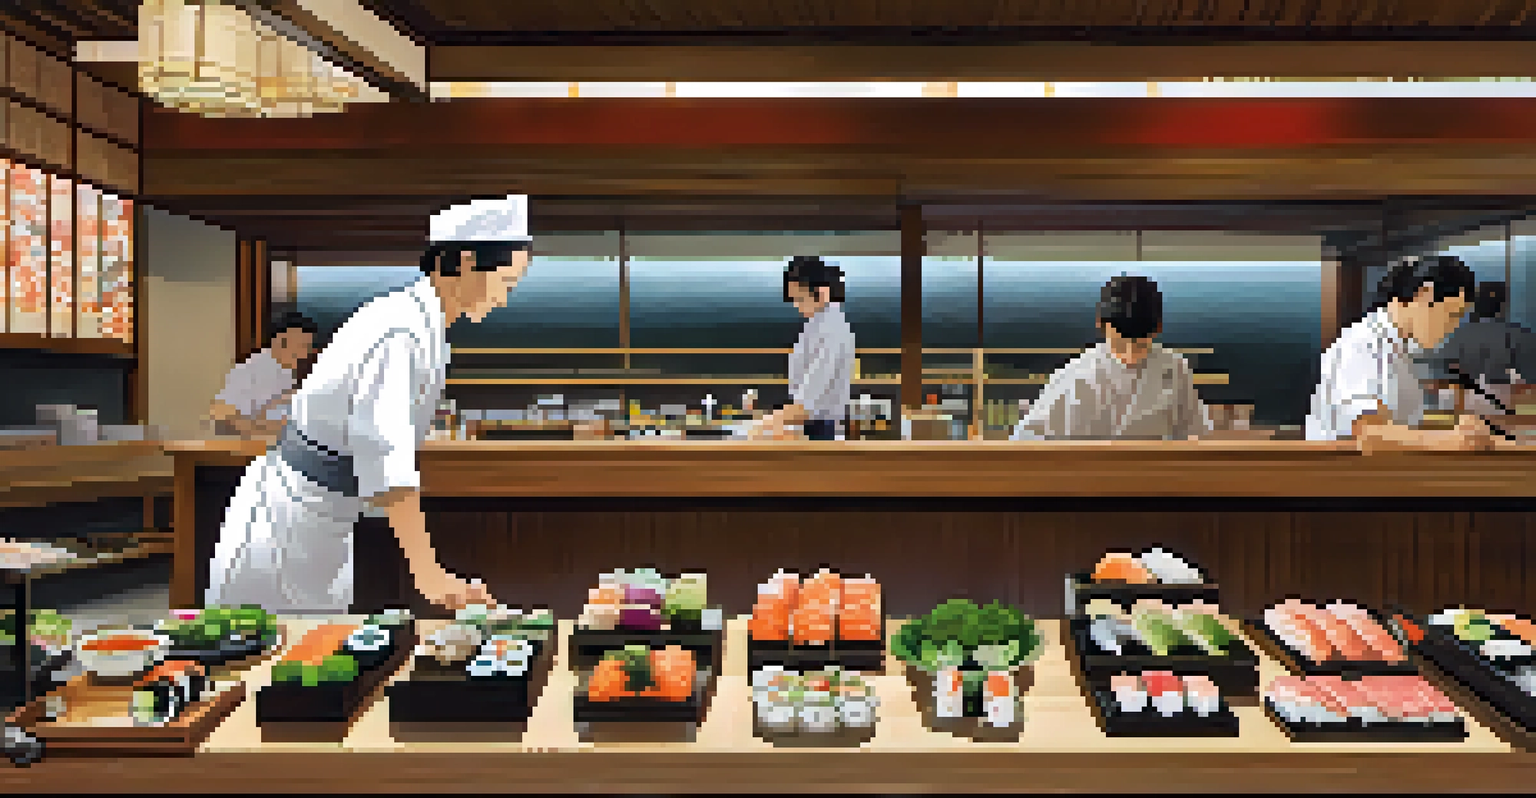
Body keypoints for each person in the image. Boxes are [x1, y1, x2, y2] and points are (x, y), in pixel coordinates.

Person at [207, 195, 534, 614]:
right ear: (466, 262)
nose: (505, 300)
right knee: (261, 658)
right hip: (286, 522)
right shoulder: (399, 330)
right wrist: (428, 573)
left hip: (325, 518)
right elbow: (385, 454)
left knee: (315, 655)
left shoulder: (426, 328)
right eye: (506, 283)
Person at [1305, 255, 1489, 451]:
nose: (1453, 328)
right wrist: (1449, 440)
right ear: (1425, 294)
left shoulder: (1400, 348)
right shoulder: (1363, 343)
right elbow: (1369, 434)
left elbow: (1401, 427)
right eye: (1453, 315)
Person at [1011, 275, 1210, 441]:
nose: (1130, 357)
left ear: (1158, 329)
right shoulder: (1074, 374)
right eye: (1121, 345)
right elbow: (1027, 438)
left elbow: (1195, 435)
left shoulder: (1175, 369)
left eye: (1141, 345)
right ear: (1101, 324)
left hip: (1152, 482)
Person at [753, 256, 856, 441]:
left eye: (800, 298)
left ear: (821, 292)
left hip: (822, 429)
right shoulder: (817, 323)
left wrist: (764, 424)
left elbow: (810, 400)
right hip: (812, 423)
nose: (796, 305)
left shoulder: (831, 329)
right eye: (793, 299)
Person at [1422, 281, 1536, 418]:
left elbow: (1435, 383)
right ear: (1503, 305)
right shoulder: (1520, 335)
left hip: (1463, 415)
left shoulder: (1457, 336)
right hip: (1510, 413)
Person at [206, 312, 317, 440]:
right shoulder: (251, 370)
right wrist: (260, 432)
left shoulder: (288, 374)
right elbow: (220, 411)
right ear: (280, 341)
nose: (305, 354)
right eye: (301, 346)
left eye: (308, 348)